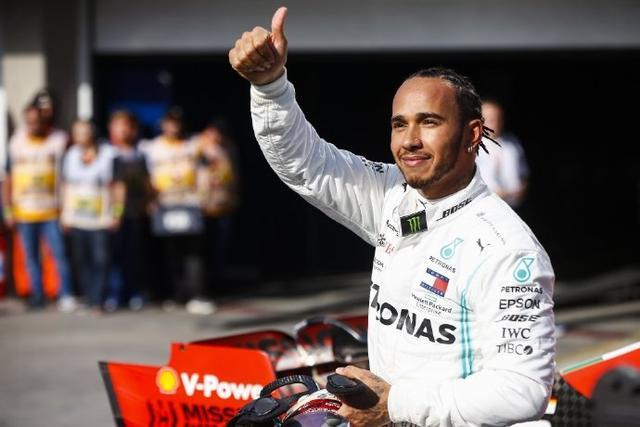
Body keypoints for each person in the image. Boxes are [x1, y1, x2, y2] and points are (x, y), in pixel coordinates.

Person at [229, 7, 555, 427]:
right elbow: (306, 165)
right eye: (400, 125)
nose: (410, 140)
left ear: (472, 133)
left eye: (429, 122)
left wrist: (396, 404)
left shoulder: (508, 249)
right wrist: (270, 86)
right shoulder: (392, 196)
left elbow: (521, 391)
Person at [2, 105, 76, 311]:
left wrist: (66, 208)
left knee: (60, 255)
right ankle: (38, 295)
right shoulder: (16, 143)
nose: (34, 124)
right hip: (25, 212)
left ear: (44, 120)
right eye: (30, 121)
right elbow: (8, 179)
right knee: (31, 257)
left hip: (52, 210)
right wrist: (7, 210)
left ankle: (65, 294)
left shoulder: (57, 141)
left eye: (38, 120)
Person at [142, 108, 214, 314]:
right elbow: (146, 175)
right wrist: (149, 199)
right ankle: (176, 295)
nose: (173, 126)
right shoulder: (153, 147)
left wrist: (204, 196)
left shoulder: (194, 144)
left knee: (193, 252)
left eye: (177, 122)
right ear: (163, 124)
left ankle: (197, 295)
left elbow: (205, 169)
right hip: (165, 203)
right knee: (171, 252)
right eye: (169, 122)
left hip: (189, 201)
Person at [61, 120, 119, 312]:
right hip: (77, 218)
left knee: (101, 259)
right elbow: (66, 185)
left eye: (83, 132)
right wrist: (65, 214)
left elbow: (116, 186)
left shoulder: (108, 154)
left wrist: (116, 212)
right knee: (82, 260)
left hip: (100, 218)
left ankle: (99, 300)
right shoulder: (71, 155)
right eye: (76, 132)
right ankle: (90, 297)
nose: (79, 136)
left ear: (92, 133)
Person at [104, 110, 150, 311]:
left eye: (127, 126)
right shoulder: (106, 153)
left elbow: (146, 182)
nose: (123, 130)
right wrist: (115, 212)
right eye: (118, 125)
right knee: (113, 256)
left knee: (134, 255)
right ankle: (114, 294)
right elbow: (115, 187)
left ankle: (134, 293)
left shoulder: (141, 153)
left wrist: (149, 201)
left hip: (135, 212)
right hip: (110, 214)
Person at [196, 118, 239, 295]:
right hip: (204, 208)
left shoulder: (229, 149)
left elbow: (234, 176)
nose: (217, 136)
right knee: (203, 251)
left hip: (224, 206)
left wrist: (235, 196)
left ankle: (218, 284)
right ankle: (203, 287)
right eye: (213, 132)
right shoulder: (199, 148)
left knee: (221, 250)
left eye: (220, 132)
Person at [476, 99, 529, 208]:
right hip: (486, 206)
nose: (495, 123)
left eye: (498, 118)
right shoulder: (473, 147)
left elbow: (524, 172)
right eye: (490, 119)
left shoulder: (512, 143)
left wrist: (522, 189)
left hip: (514, 206)